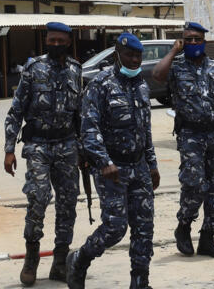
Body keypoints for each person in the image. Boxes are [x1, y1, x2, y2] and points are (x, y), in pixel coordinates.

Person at [67, 32, 160, 289]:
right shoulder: (101, 84)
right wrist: (103, 161)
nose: (134, 60)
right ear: (117, 54)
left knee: (144, 228)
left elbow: (146, 130)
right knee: (115, 229)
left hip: (139, 166)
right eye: (129, 55)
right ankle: (80, 258)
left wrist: (152, 164)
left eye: (138, 56)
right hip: (113, 169)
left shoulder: (141, 85)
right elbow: (89, 128)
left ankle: (140, 282)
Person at [152, 21, 214, 259]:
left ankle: (208, 238)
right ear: (183, 41)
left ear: (204, 41)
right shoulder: (176, 67)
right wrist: (174, 50)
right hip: (191, 134)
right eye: (189, 39)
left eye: (197, 39)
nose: (194, 43)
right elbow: (157, 75)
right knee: (194, 185)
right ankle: (183, 227)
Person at [3, 22, 83, 286]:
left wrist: (86, 150)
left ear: (68, 42)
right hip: (38, 144)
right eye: (52, 40)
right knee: (38, 198)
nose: (56, 45)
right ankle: (32, 258)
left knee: (68, 203)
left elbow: (80, 115)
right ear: (46, 40)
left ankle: (60, 261)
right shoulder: (34, 69)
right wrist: (9, 149)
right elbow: (16, 111)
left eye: (61, 41)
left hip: (68, 145)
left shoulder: (75, 70)